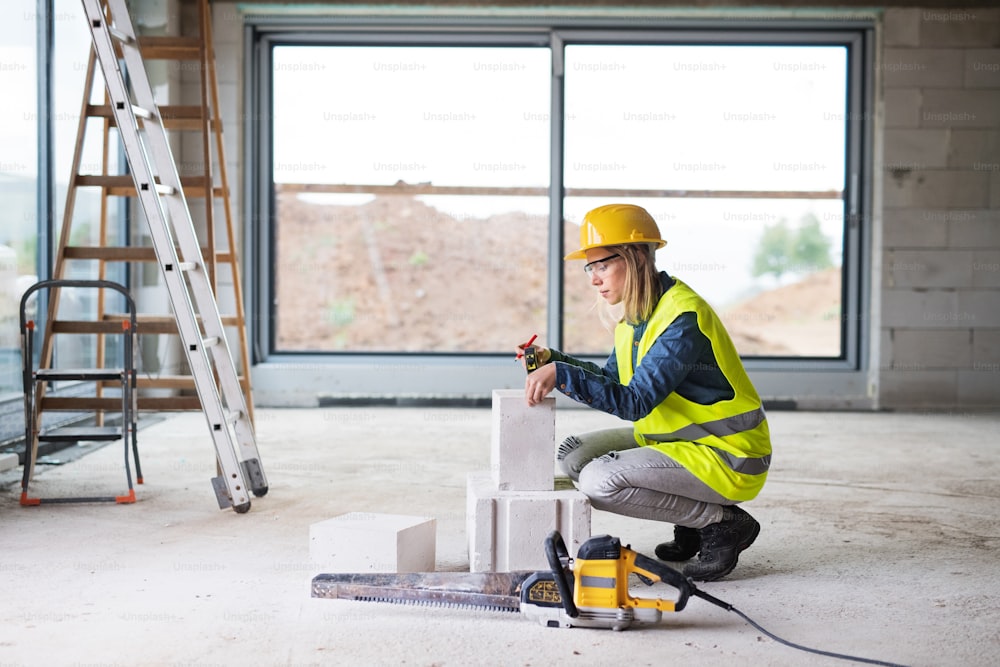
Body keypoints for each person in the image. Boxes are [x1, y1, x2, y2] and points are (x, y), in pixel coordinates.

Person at [518, 203, 771, 582]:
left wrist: (562, 375)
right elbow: (613, 380)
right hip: (680, 442)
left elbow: (634, 402)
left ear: (635, 257)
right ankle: (691, 521)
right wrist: (554, 360)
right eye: (590, 268)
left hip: (727, 453)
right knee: (574, 456)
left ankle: (721, 522)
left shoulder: (681, 319)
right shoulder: (635, 320)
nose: (593, 279)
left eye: (601, 265)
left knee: (598, 482)